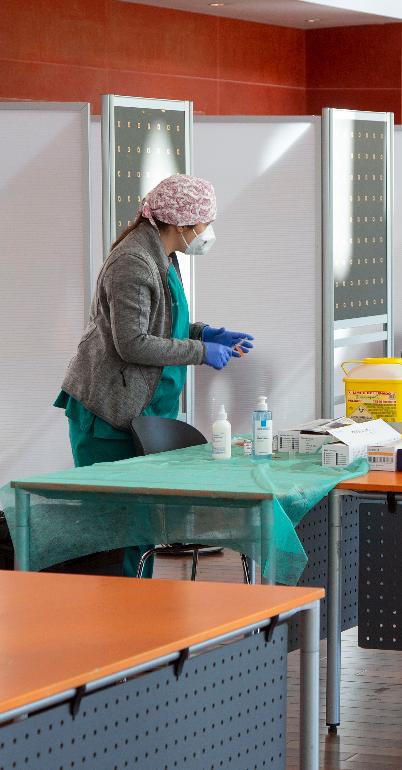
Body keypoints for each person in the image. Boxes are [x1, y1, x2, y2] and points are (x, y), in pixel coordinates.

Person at [55, 174, 254, 577]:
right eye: (203, 224)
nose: (206, 232)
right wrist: (200, 352)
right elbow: (133, 343)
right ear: (180, 224)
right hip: (107, 414)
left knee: (140, 525)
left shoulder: (164, 254)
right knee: (116, 530)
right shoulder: (133, 261)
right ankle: (118, 622)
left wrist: (206, 333)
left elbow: (165, 322)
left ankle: (137, 613)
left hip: (143, 411)